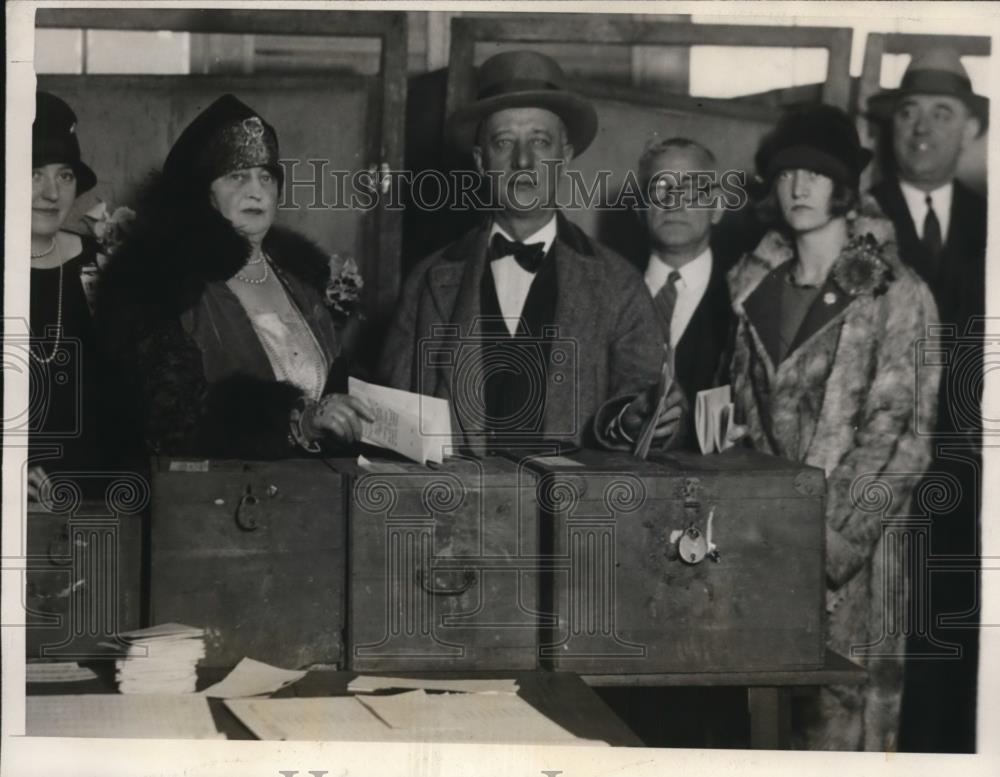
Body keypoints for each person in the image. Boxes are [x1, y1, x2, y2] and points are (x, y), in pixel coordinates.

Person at [728, 105, 939, 751]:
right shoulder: (752, 287)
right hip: (764, 545)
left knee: (844, 721)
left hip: (853, 554)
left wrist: (825, 542)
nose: (797, 187)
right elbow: (740, 417)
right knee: (763, 722)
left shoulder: (898, 292)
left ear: (844, 186)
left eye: (815, 174)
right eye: (786, 172)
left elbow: (902, 436)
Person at [379, 50, 682, 451]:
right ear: (481, 162)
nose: (523, 161)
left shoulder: (618, 284)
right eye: (504, 142)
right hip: (457, 507)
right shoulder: (427, 282)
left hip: (573, 511)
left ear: (565, 157)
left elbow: (642, 407)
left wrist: (635, 420)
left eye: (540, 141)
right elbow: (390, 425)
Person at [98, 94, 372, 461]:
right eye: (236, 176)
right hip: (212, 501)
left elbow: (335, 388)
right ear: (204, 194)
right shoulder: (158, 279)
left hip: (315, 496)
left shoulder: (300, 278)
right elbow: (169, 420)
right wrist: (293, 421)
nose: (256, 190)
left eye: (266, 177)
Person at [867, 48, 987, 754]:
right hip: (883, 476)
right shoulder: (858, 220)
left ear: (969, 129)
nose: (921, 129)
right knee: (886, 635)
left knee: (958, 636)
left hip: (972, 481)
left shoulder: (989, 220)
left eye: (942, 114)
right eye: (908, 113)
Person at [27, 92, 104, 500]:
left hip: (92, 490)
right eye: (35, 172)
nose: (52, 193)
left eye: (65, 175)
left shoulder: (99, 264)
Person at [636, 136, 735, 406]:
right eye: (660, 188)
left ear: (717, 206)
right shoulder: (607, 292)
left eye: (691, 189)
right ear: (641, 207)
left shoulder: (744, 298)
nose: (674, 201)